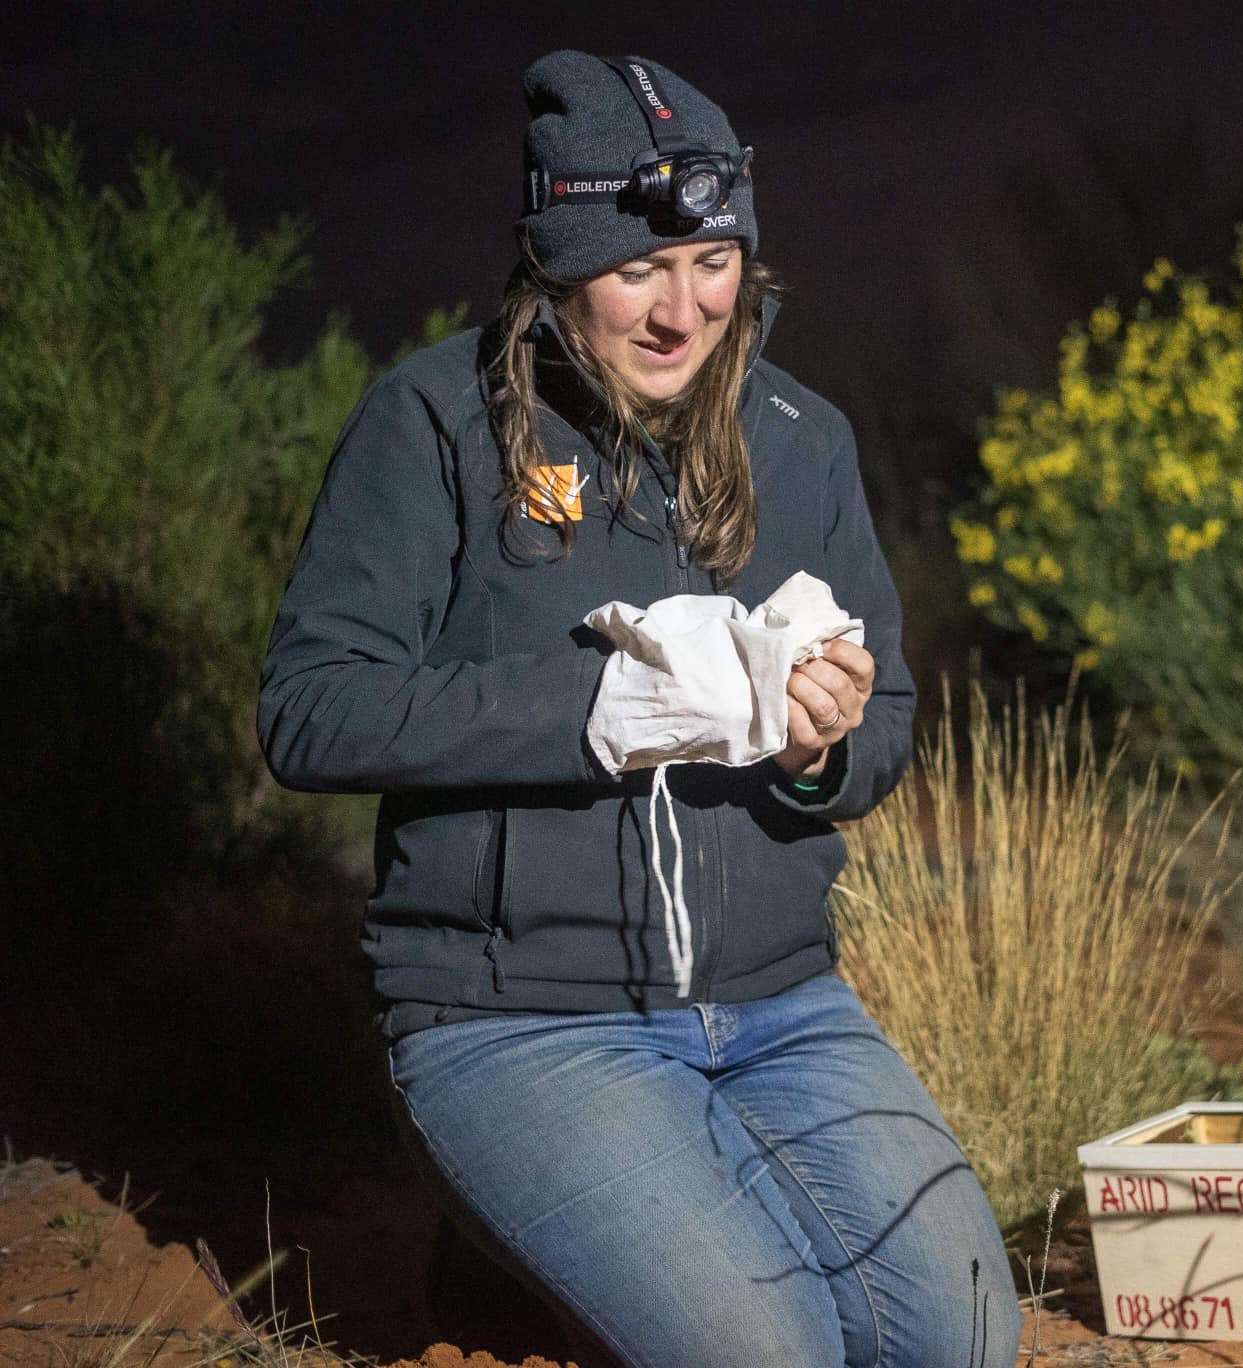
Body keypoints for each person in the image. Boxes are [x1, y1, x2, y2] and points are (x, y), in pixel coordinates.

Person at [258, 49, 1023, 1367]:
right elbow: (311, 712)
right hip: (516, 1018)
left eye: (712, 261)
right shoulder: (437, 422)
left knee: (957, 1337)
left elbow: (887, 714)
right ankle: (529, 1232)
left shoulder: (803, 437)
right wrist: (596, 712)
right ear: (560, 265)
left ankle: (628, 1211)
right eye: (637, 271)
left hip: (781, 1005)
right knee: (769, 1355)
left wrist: (817, 747)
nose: (683, 309)